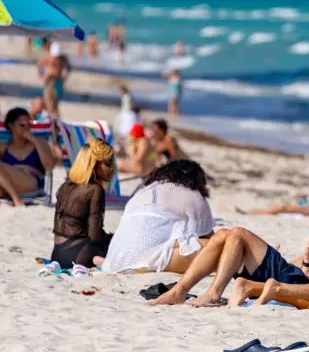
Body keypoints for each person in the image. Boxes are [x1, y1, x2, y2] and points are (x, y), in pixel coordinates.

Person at [149, 228, 309, 307]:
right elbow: (308, 272)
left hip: (297, 286)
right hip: (293, 274)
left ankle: (213, 293)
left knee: (237, 233)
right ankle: (180, 291)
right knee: (228, 234)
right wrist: (308, 258)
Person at [103, 160, 216, 273]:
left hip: (112, 262)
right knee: (217, 248)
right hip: (141, 261)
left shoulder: (145, 191)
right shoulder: (193, 194)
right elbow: (211, 237)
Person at [51, 139, 116, 269]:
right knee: (116, 242)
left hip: (57, 253)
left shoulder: (66, 185)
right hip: (80, 255)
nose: (112, 168)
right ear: (95, 164)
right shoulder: (94, 189)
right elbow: (94, 235)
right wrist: (112, 238)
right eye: (108, 163)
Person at [0, 108, 58, 206]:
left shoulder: (39, 142)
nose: (26, 128)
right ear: (11, 126)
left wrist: (34, 140)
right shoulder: (3, 147)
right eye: (22, 125)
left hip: (31, 182)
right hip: (10, 185)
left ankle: (17, 200)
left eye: (28, 125)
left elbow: (49, 167)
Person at [36, 41, 71, 117]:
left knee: (55, 104)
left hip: (58, 81)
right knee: (49, 103)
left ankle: (55, 121)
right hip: (49, 80)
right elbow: (39, 64)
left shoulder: (63, 58)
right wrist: (41, 75)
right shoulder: (48, 57)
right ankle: (52, 120)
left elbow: (69, 68)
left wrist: (65, 77)